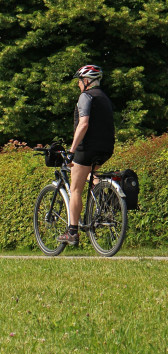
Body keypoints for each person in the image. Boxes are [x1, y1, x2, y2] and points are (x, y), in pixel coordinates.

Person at [57, 65, 115, 245]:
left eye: (79, 81)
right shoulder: (105, 98)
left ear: (87, 81)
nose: (78, 85)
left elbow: (83, 124)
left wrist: (72, 151)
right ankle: (104, 197)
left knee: (75, 189)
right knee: (90, 174)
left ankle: (72, 232)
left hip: (86, 148)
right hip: (106, 148)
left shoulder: (86, 96)